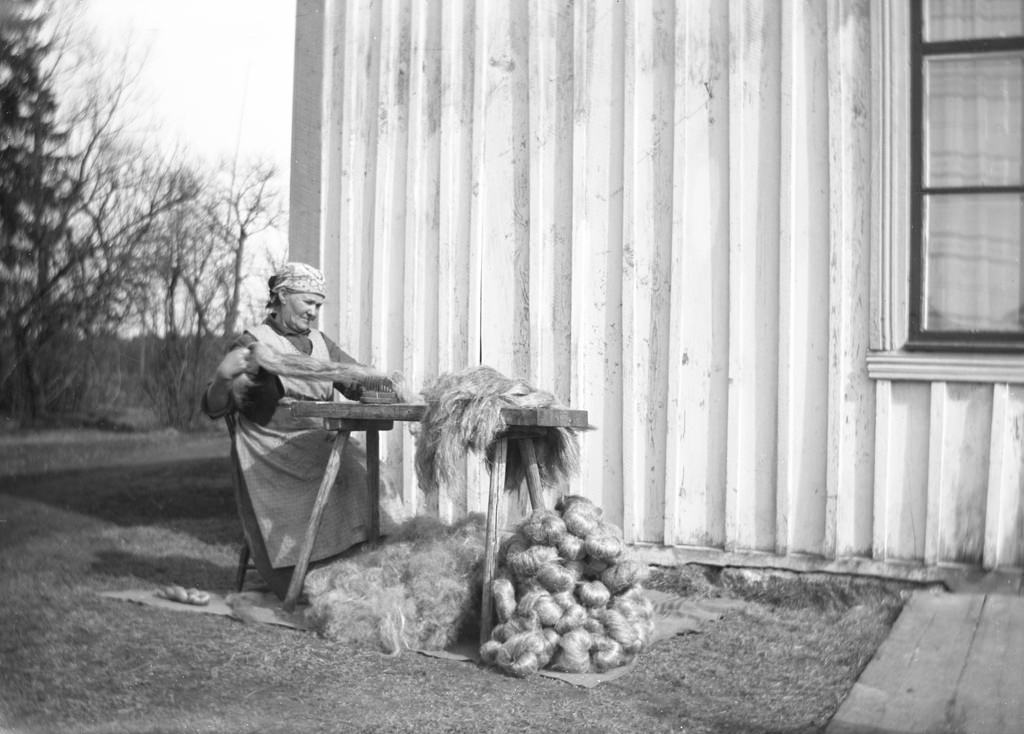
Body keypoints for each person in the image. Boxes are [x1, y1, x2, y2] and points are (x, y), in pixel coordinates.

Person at [203, 261, 377, 599]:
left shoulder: (320, 343)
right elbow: (214, 407)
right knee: (341, 471)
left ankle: (356, 570)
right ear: (282, 296)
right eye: (307, 303)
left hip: (318, 442)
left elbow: (356, 380)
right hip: (269, 451)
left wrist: (382, 385)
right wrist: (224, 378)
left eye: (318, 305)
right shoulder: (254, 342)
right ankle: (307, 577)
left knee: (366, 474)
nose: (313, 312)